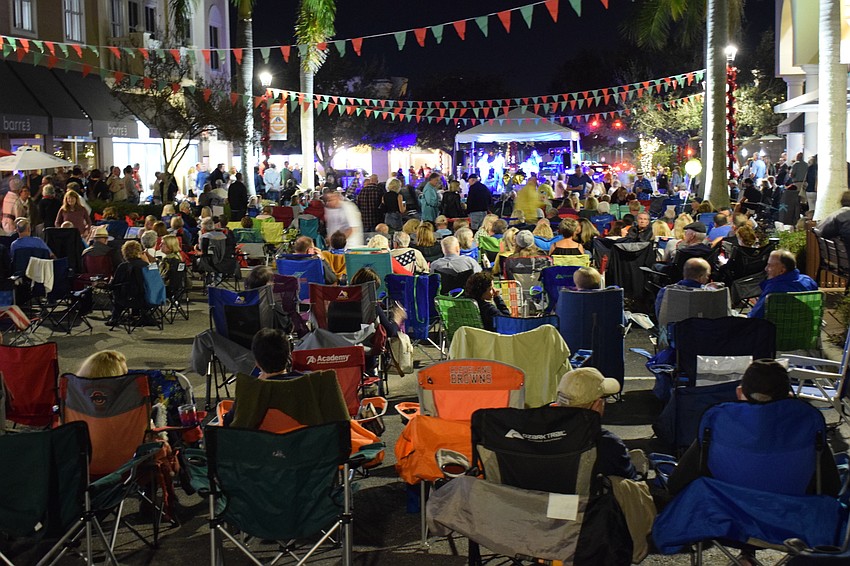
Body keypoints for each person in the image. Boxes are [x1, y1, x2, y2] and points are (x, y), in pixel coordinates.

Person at [667, 359, 841, 499]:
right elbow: (831, 487)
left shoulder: (718, 423)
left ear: (739, 392)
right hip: (793, 526)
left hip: (728, 522)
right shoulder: (806, 425)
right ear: (788, 395)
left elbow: (676, 483)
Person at [556, 367, 638, 479]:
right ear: (597, 405)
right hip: (588, 495)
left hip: (540, 495)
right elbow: (628, 477)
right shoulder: (608, 443)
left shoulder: (533, 433)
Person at [223, 328, 300, 427]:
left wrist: (258, 384)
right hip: (301, 440)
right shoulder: (308, 383)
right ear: (289, 357)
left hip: (261, 441)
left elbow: (228, 425)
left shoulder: (249, 392)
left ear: (257, 363)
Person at [748, 250, 818, 318]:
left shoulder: (772, 289)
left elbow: (755, 317)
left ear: (782, 270)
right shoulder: (809, 281)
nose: (766, 269)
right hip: (805, 327)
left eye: (769, 265)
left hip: (775, 329)